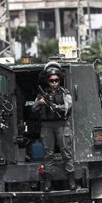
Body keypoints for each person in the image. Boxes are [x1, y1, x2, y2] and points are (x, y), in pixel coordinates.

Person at [32, 62, 75, 191]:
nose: (54, 83)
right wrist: (40, 103)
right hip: (47, 126)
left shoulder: (65, 93)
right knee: (48, 154)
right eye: (51, 80)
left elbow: (68, 106)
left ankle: (71, 180)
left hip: (62, 124)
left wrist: (57, 107)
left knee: (66, 153)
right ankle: (48, 181)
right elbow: (33, 109)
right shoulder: (42, 94)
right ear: (48, 81)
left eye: (56, 80)